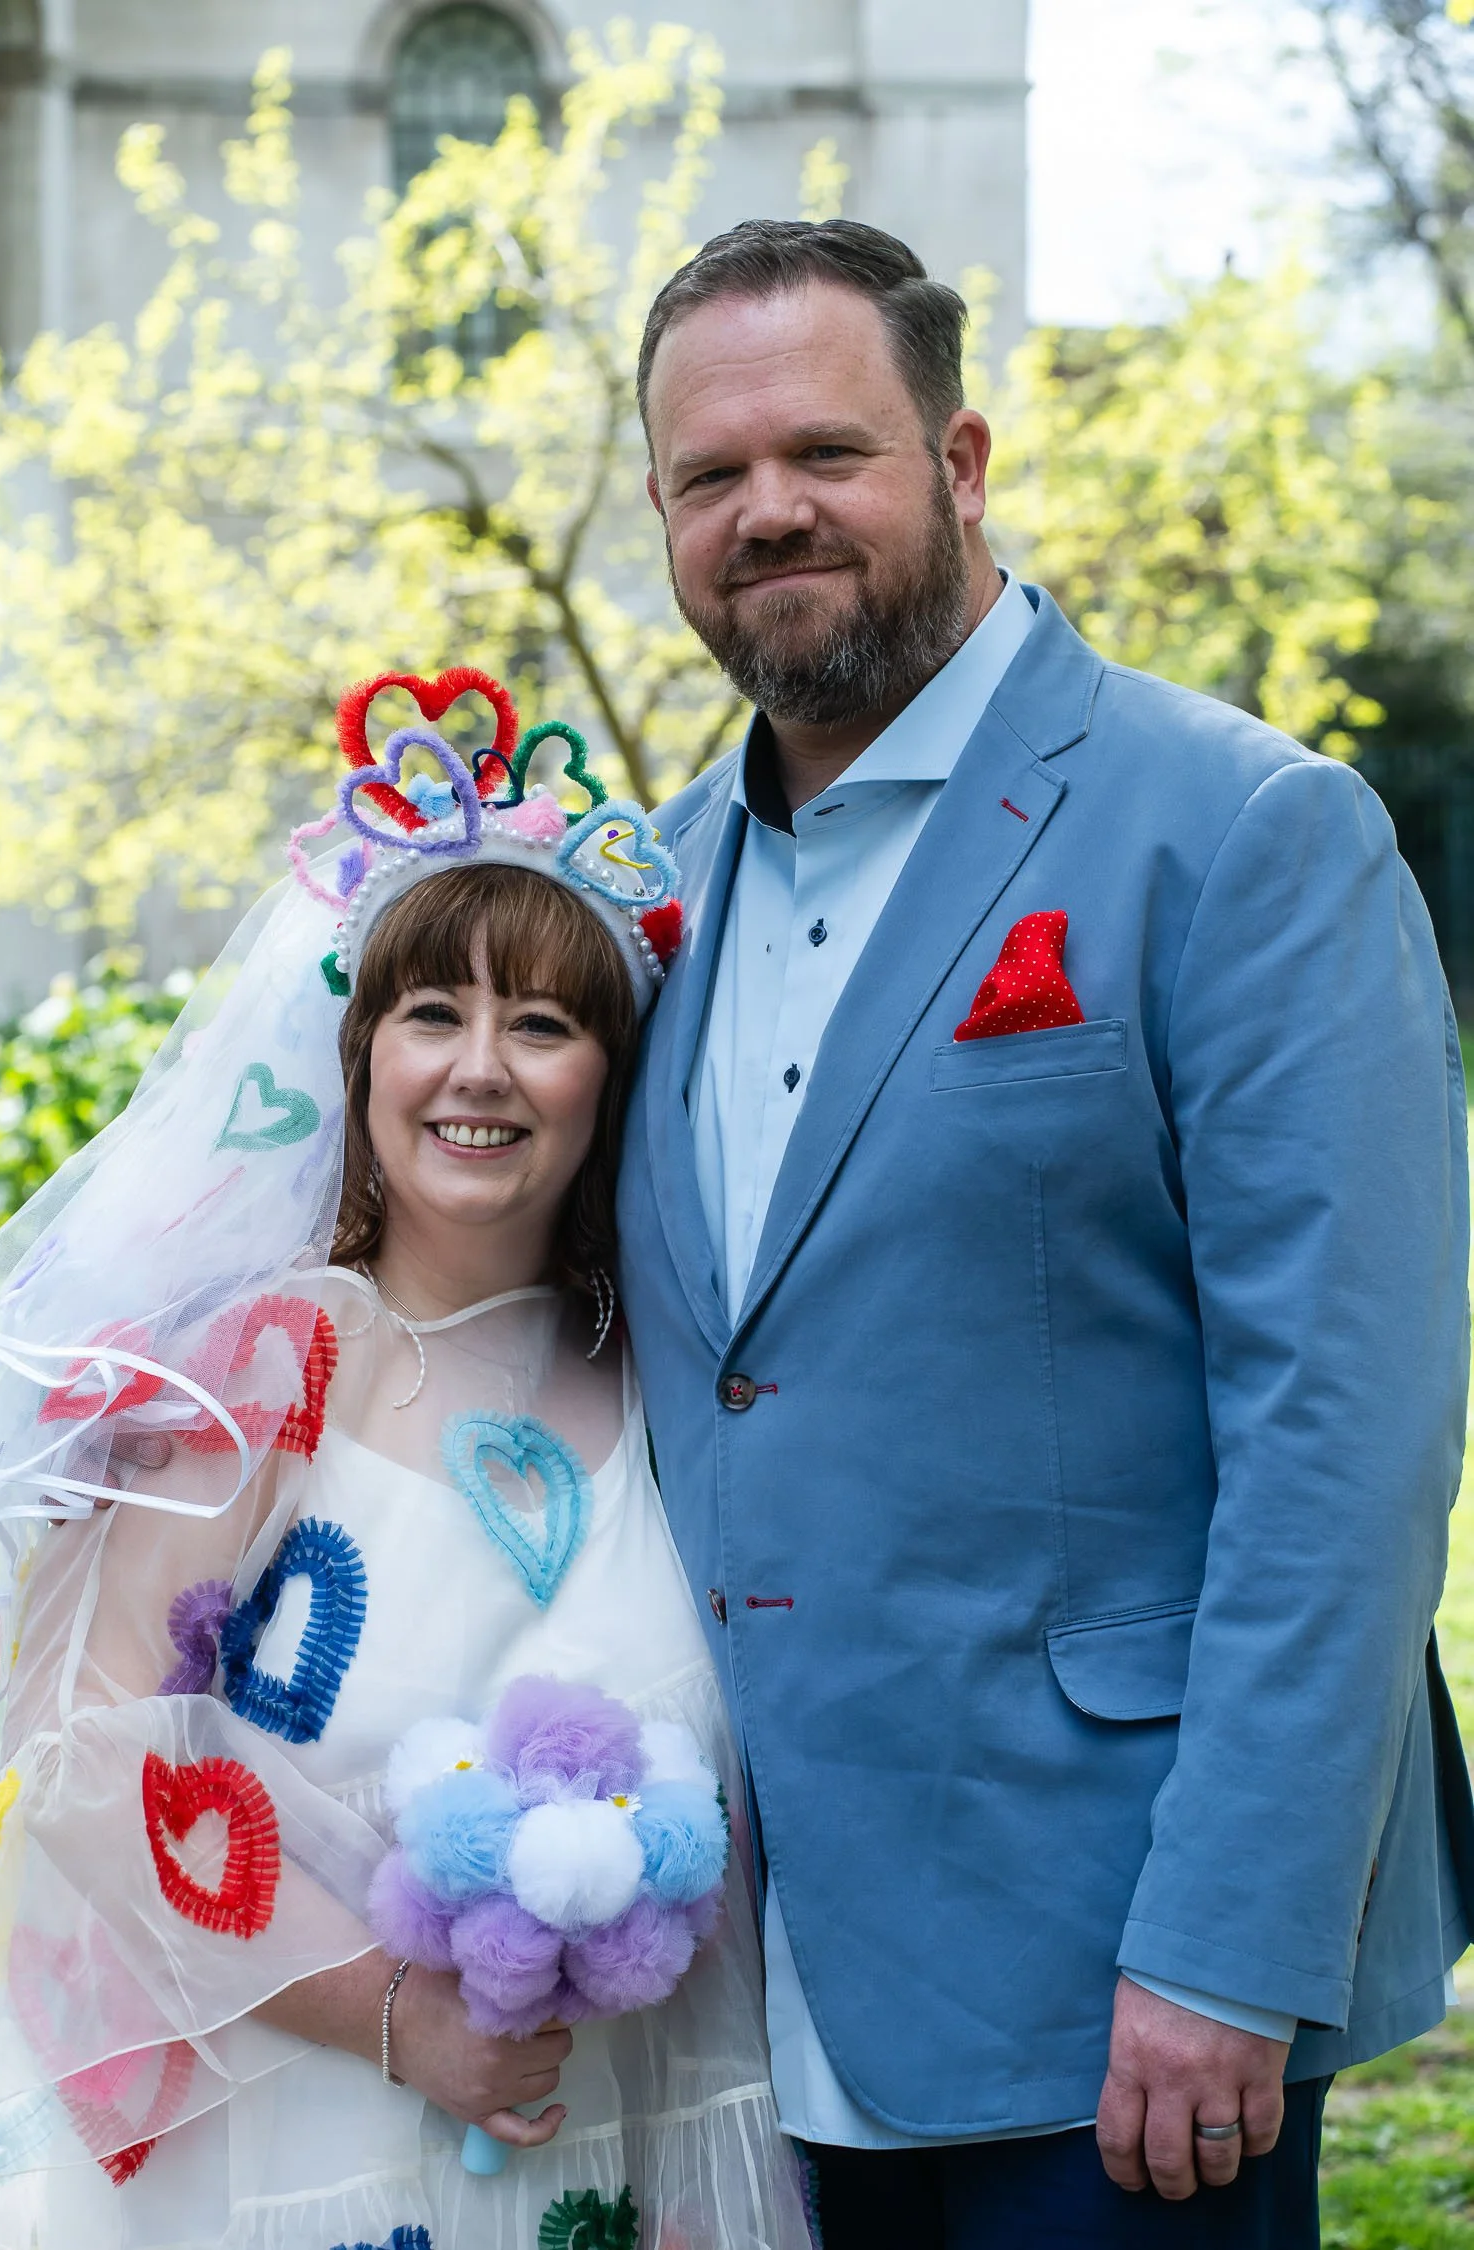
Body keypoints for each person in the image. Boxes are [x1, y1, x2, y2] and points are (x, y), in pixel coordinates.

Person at [615, 217, 1474, 2249]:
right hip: (728, 1990)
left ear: (964, 460)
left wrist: (1230, 1944)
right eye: (710, 474)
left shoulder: (1247, 829)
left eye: (826, 450)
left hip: (1118, 1990)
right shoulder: (648, 887)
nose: (767, 509)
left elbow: (1342, 1448)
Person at [0, 681, 813, 2250]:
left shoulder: (671, 1384)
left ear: (611, 1075)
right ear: (359, 1058)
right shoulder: (268, 1362)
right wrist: (395, 2012)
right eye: (433, 1013)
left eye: (542, 1024)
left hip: (621, 2156)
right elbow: (79, 1752)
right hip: (306, 2156)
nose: (479, 1068)